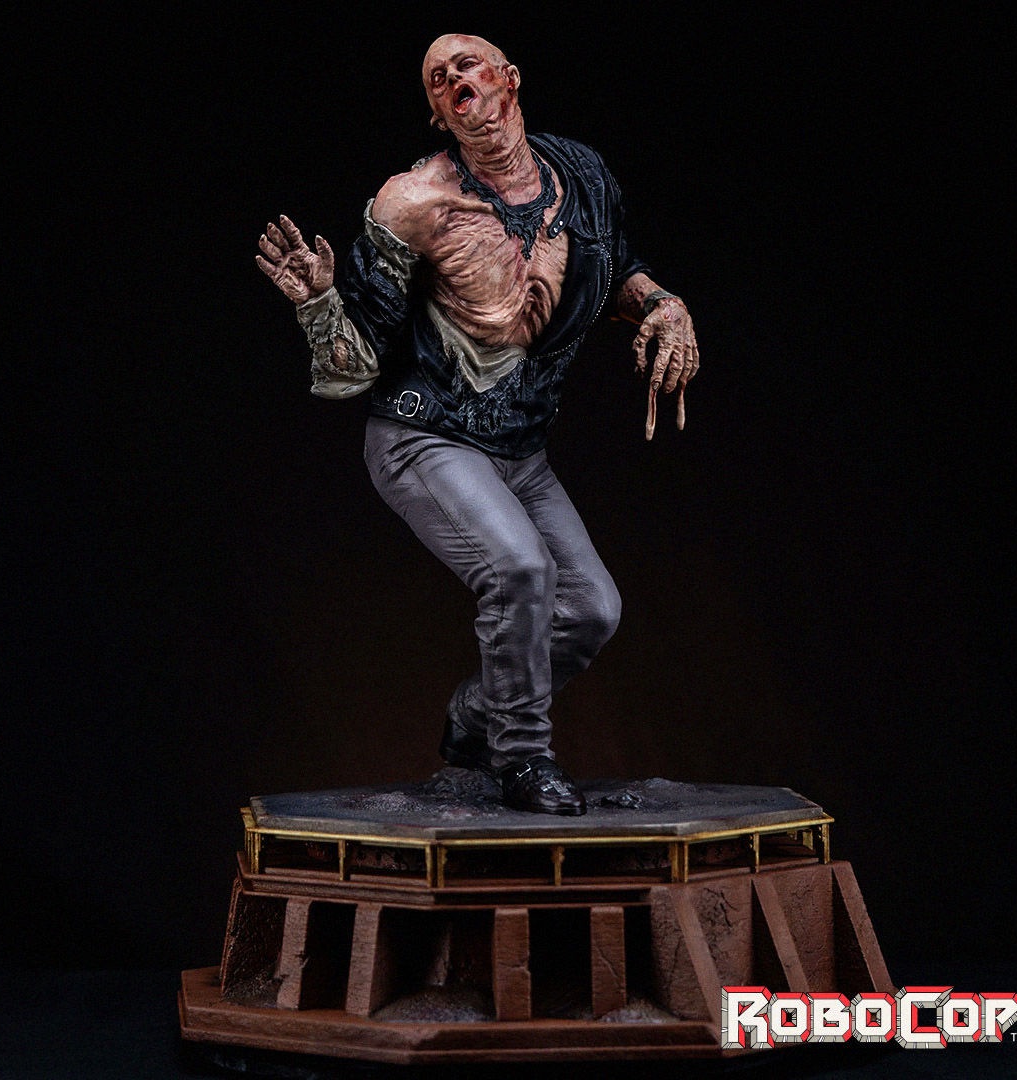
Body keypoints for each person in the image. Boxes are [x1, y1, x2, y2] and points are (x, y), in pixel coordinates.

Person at [256, 33, 699, 815]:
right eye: (436, 78)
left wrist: (665, 306)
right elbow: (354, 367)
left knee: (591, 609)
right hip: (424, 436)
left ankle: (474, 717)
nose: (452, 77)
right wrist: (318, 303)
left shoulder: (581, 174)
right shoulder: (412, 203)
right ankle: (522, 757)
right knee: (520, 570)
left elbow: (618, 272)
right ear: (439, 114)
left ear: (509, 79)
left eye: (466, 62)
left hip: (519, 448)